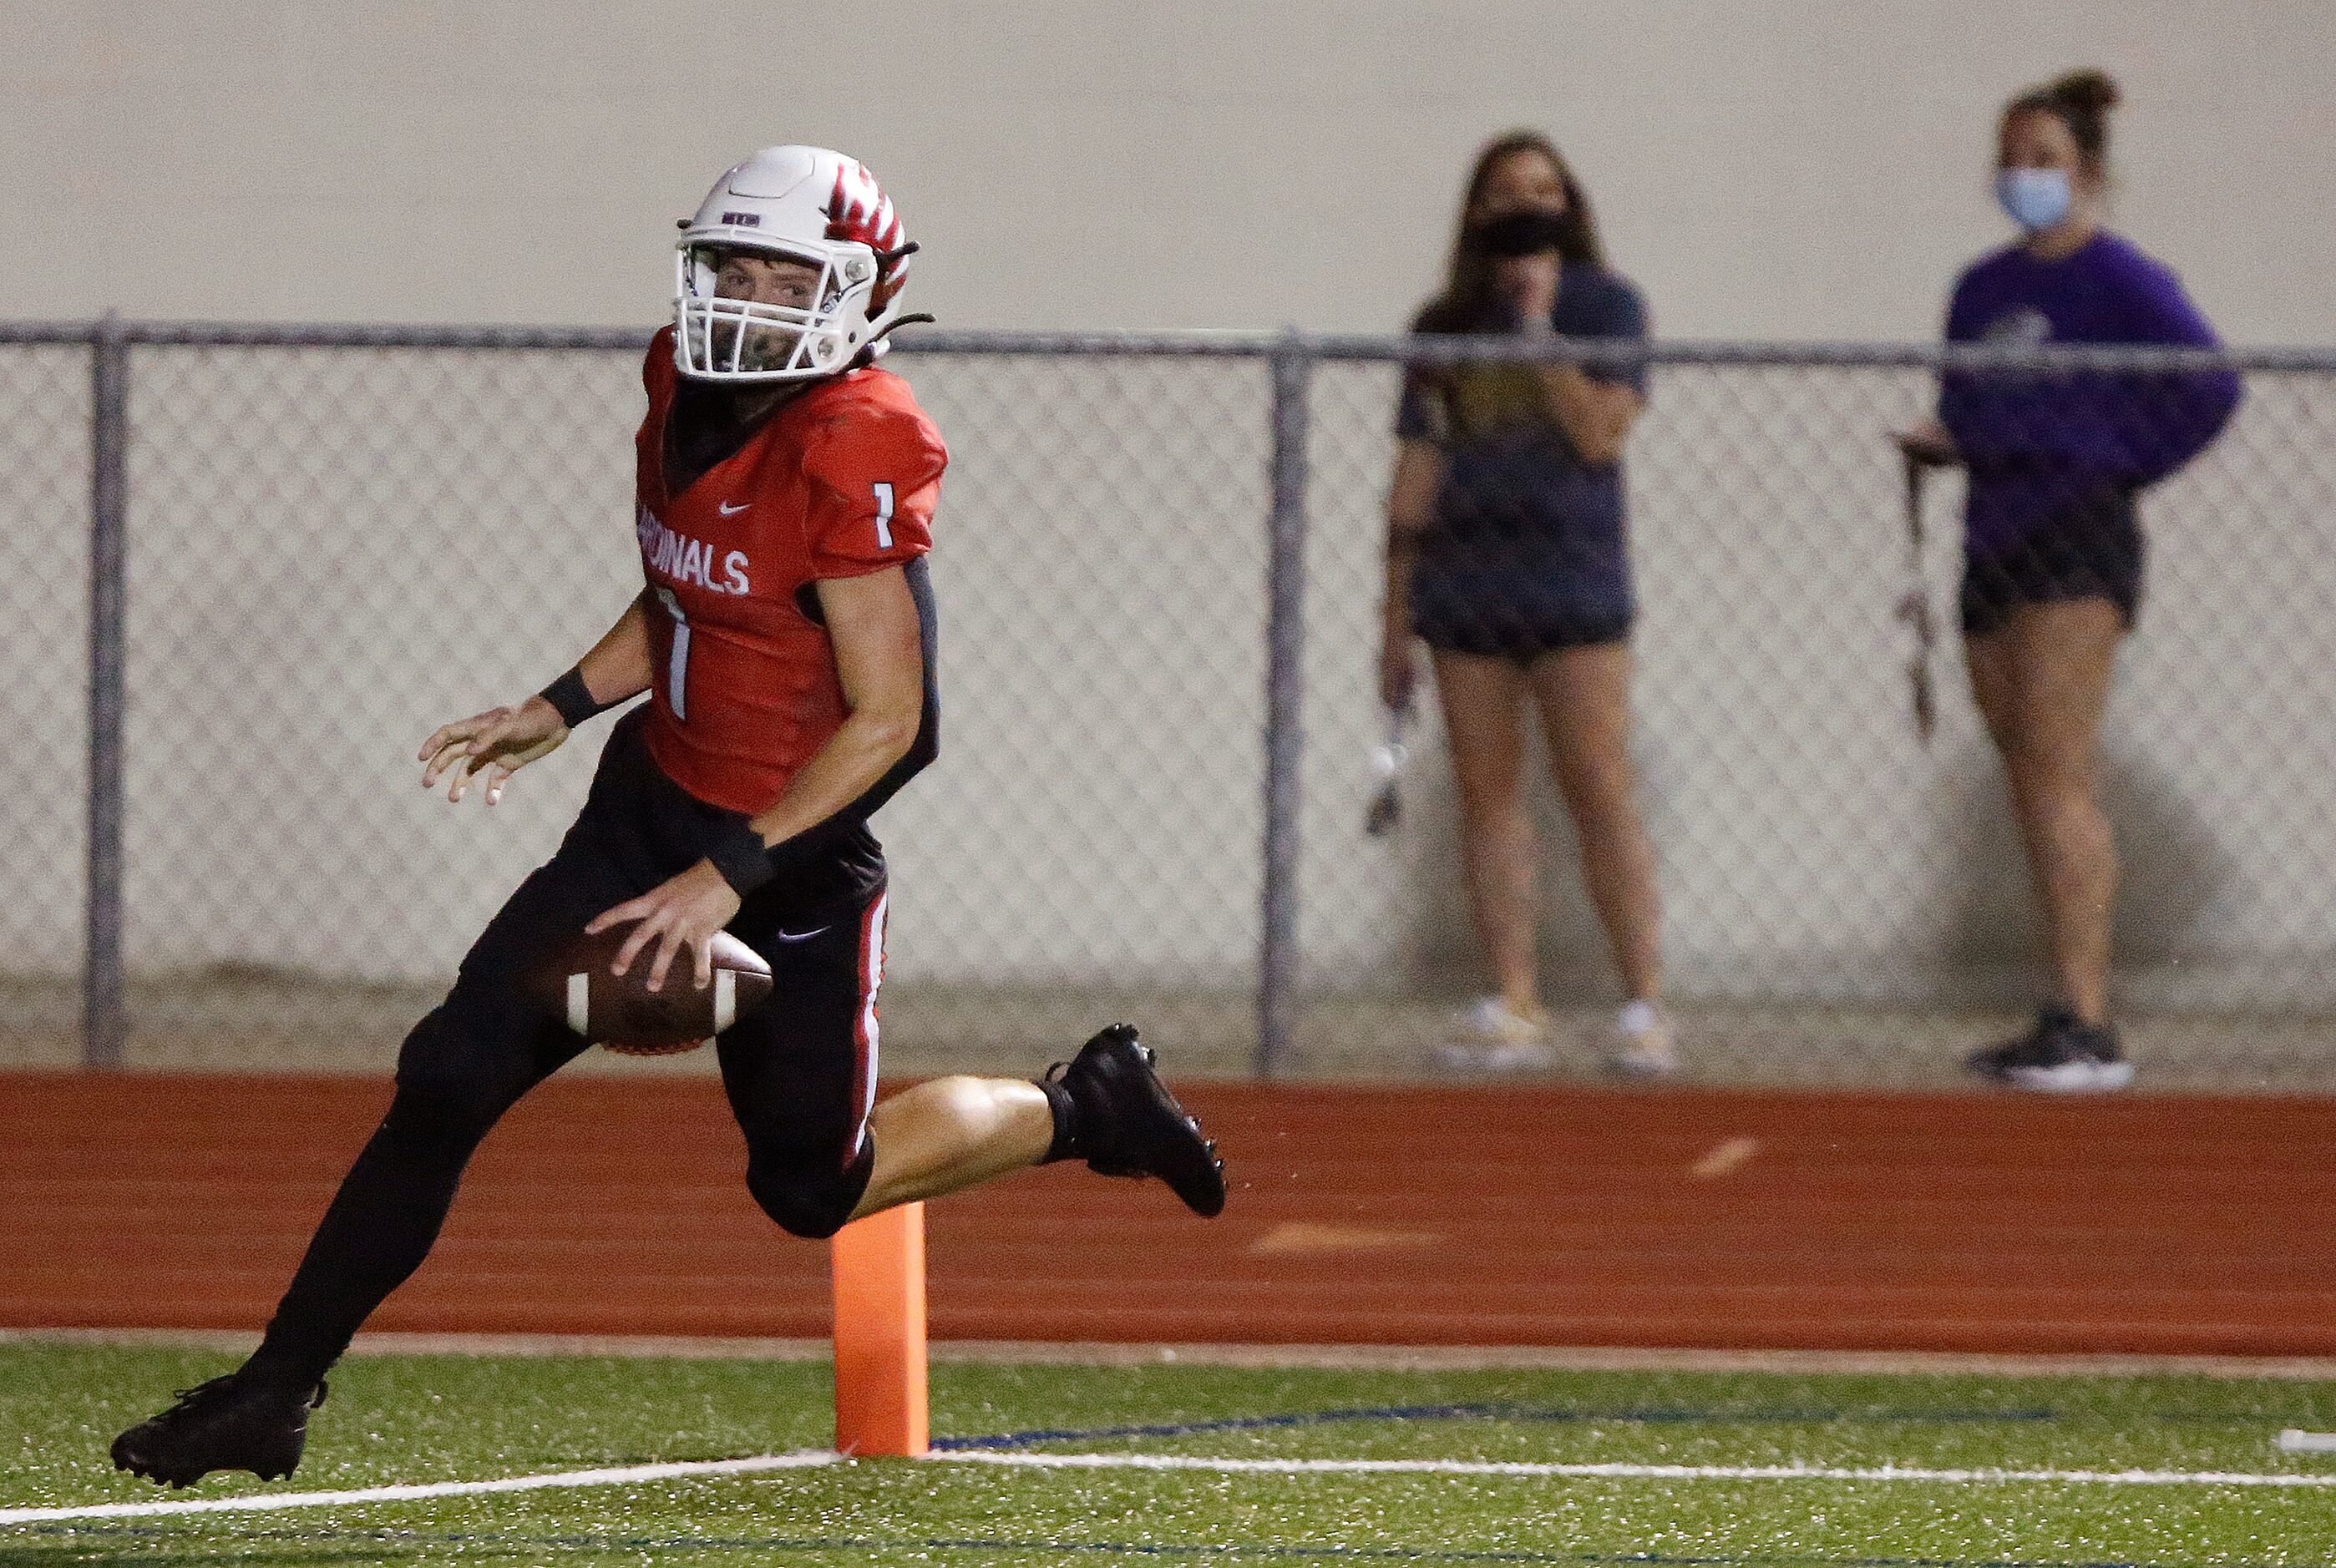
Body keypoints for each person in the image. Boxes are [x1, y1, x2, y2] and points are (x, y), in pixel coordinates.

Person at [110, 145, 1225, 1489]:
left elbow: (896, 723)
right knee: (446, 1071)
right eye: (733, 268)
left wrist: (728, 875)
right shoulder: (678, 379)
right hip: (642, 813)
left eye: (785, 274)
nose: (750, 300)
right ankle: (273, 1391)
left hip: (787, 864)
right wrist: (563, 701)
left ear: (864, 289)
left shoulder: (859, 432)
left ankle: (1084, 1102)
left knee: (809, 1190)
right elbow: (693, 590)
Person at [1897, 72, 2239, 1091]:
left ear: (2085, 170)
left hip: (2075, 535)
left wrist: (2112, 458)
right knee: (2024, 772)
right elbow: (1975, 400)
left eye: (2042, 159)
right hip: (1992, 534)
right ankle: (2057, 1004)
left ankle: (2089, 1018)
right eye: (2009, 158)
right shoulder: (1980, 289)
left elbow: (2208, 385)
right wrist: (1946, 442)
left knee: (2057, 766)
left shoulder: (2119, 277)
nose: (2020, 176)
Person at [1379, 131, 1673, 1077]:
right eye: (1505, 193)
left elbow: (1598, 435)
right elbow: (1415, 472)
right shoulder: (1443, 324)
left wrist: (1542, 331)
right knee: (1489, 797)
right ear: (1477, 212)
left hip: (1572, 580)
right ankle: (1511, 998)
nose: (1525, 205)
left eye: (1542, 190)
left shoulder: (1605, 305)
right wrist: (1393, 618)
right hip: (1468, 584)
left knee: (1598, 789)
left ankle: (1643, 1003)